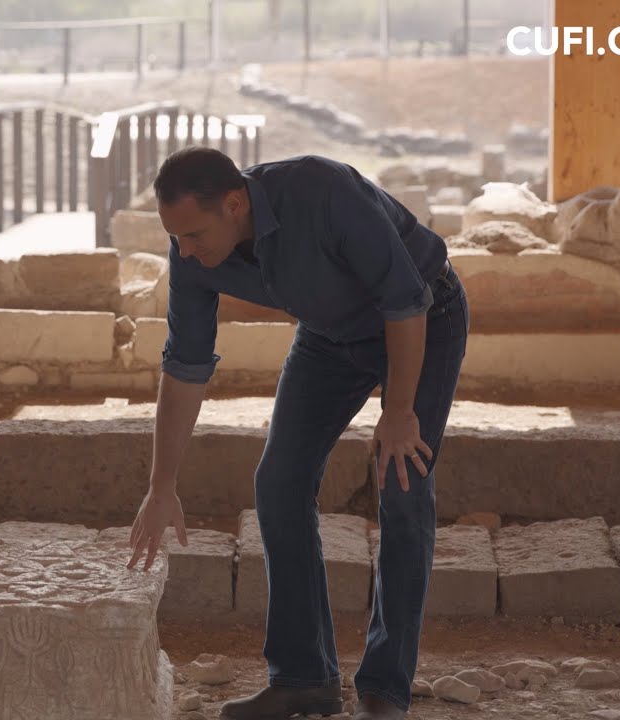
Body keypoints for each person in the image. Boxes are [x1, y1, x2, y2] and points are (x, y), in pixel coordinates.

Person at [127, 147, 468, 720]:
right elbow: (185, 365)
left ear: (235, 204)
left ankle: (385, 690)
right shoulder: (191, 250)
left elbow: (405, 299)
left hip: (422, 318)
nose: (183, 251)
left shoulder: (322, 190)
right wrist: (162, 486)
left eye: (193, 234)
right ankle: (305, 678)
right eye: (175, 237)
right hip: (329, 335)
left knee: (402, 483)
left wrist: (399, 412)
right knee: (279, 483)